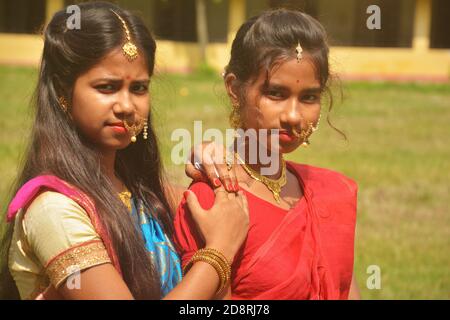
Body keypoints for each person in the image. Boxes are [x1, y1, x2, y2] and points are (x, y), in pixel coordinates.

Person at [2, 1, 248, 300]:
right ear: (63, 92)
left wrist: (212, 159)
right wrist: (219, 252)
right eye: (107, 87)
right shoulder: (54, 209)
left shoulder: (143, 193)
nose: (127, 107)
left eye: (139, 88)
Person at [174, 9, 361, 300]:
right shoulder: (214, 200)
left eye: (309, 97)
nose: (293, 116)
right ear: (235, 90)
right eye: (276, 93)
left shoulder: (330, 193)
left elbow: (344, 289)